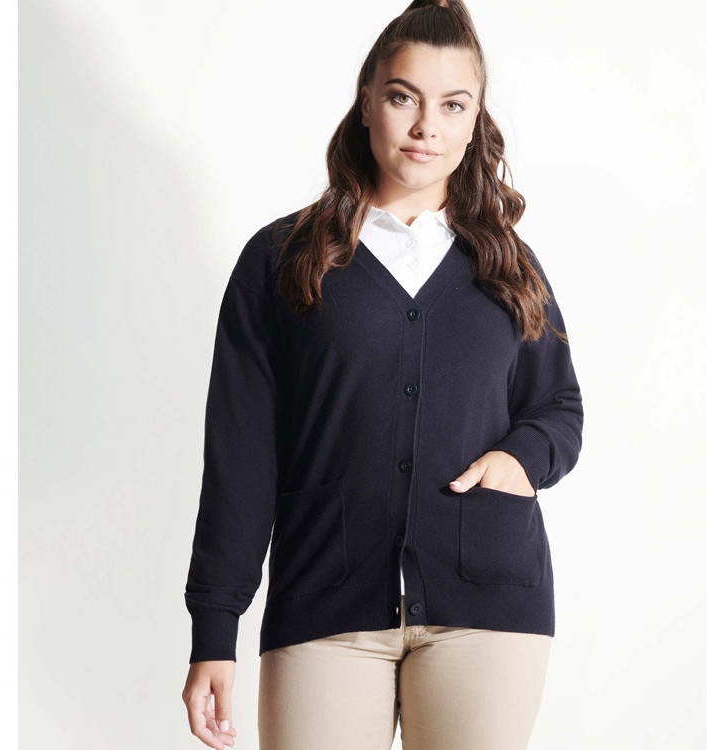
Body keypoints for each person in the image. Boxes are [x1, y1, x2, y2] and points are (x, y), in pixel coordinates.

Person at [181, 1, 584, 748]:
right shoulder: (284, 260)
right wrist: (215, 626)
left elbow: (558, 405)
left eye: (453, 105)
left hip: (487, 609)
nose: (427, 126)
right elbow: (241, 455)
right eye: (404, 97)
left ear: (476, 121)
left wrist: (520, 459)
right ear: (367, 101)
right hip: (323, 604)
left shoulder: (508, 265)